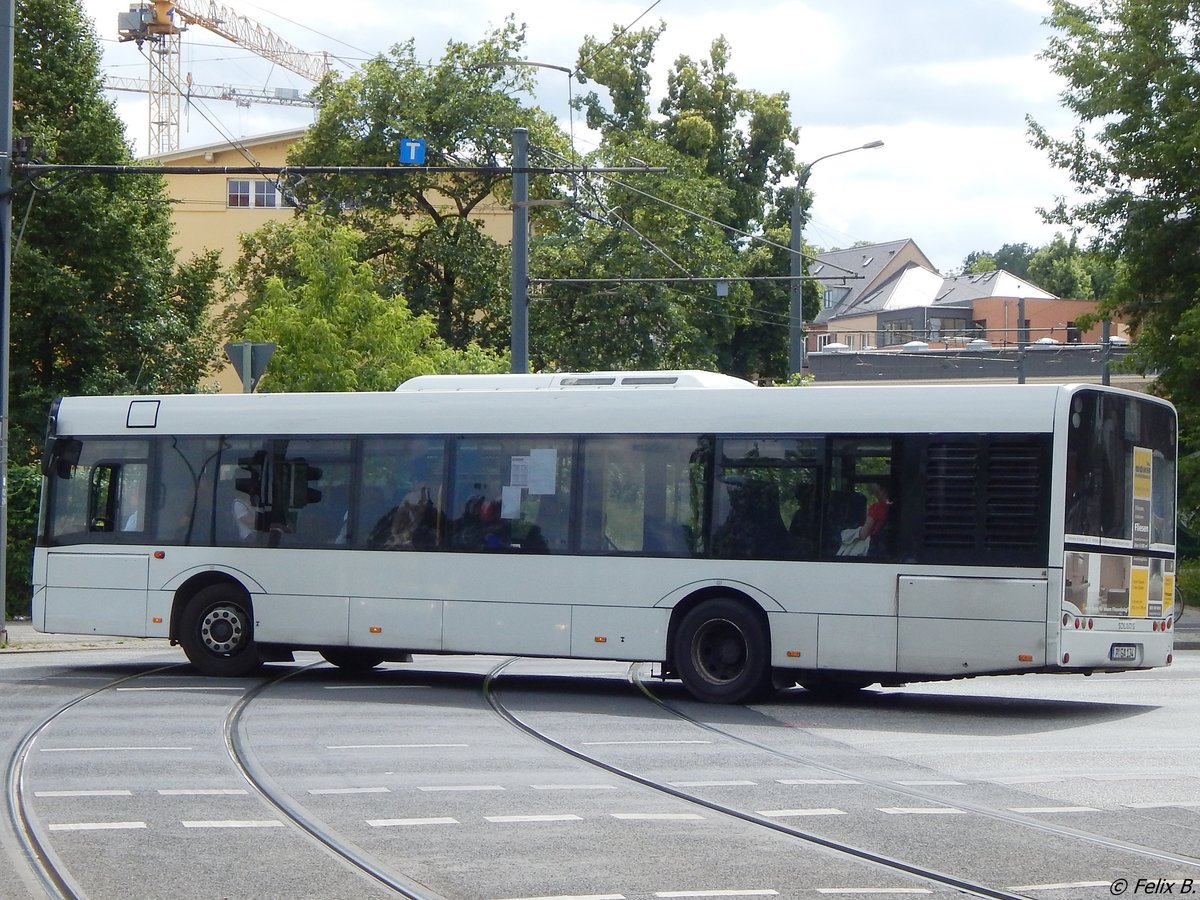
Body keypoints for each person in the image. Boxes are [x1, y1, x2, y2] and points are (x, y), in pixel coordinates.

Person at [837, 482, 889, 557]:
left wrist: (849, 534)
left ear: (882, 490)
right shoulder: (896, 508)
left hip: (874, 550)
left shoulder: (876, 508)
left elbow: (864, 534)